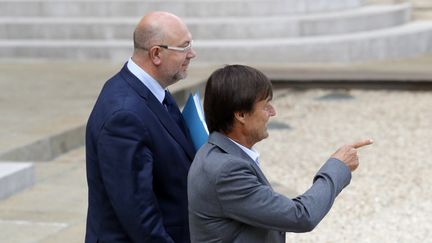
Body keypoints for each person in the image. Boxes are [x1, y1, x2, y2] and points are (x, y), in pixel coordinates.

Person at [187, 64, 373, 243]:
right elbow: (300, 216)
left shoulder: (216, 154)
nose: (273, 112)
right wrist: (337, 166)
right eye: (266, 106)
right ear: (241, 115)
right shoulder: (226, 171)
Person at [85, 11, 196, 243]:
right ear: (156, 54)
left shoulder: (153, 91)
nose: (191, 54)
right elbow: (139, 216)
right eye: (184, 47)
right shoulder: (124, 116)